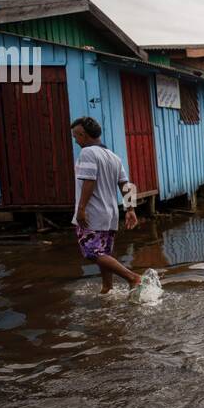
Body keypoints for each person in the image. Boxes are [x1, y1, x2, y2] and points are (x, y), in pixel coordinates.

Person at [70, 116, 142, 293]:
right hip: (110, 214)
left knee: (92, 252)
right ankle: (107, 288)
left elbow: (89, 181)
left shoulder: (88, 152)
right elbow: (126, 185)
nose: (76, 140)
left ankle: (132, 278)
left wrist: (81, 209)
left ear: (83, 134)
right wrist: (131, 209)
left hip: (92, 213)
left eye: (75, 137)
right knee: (104, 254)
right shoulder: (113, 157)